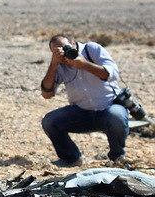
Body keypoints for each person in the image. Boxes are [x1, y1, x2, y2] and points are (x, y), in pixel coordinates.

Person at [40, 33, 129, 167]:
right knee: (50, 121)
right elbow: (47, 94)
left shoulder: (91, 49)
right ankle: (72, 158)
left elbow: (113, 73)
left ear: (74, 44)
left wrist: (83, 64)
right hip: (82, 112)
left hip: (108, 107)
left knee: (116, 116)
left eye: (65, 48)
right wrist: (54, 64)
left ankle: (117, 158)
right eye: (57, 51)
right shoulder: (60, 64)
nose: (64, 53)